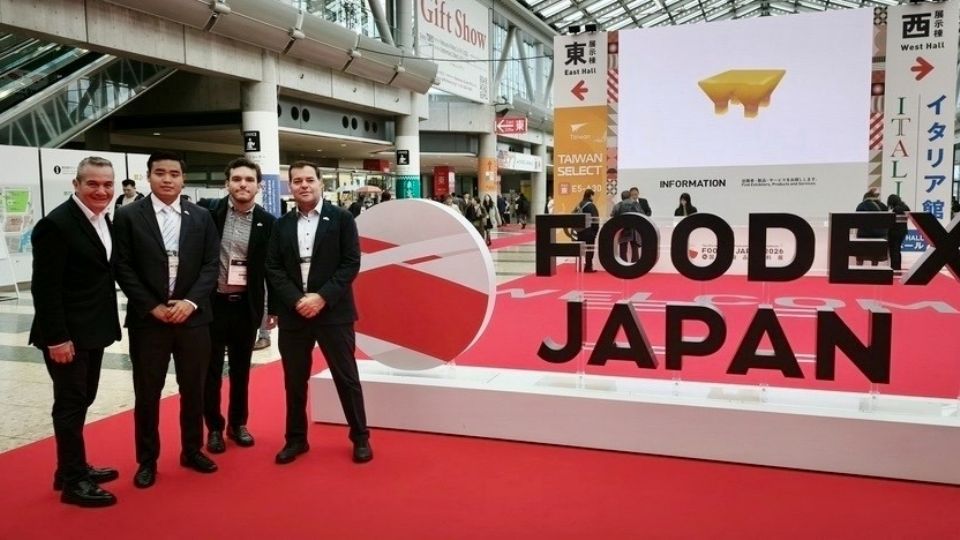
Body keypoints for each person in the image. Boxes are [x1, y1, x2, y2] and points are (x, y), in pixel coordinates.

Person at [113, 152, 221, 488]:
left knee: (194, 389)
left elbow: (211, 265)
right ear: (148, 176)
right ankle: (147, 460)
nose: (167, 179)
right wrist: (151, 306)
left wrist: (190, 302)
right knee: (147, 393)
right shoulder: (128, 216)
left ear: (183, 179)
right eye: (160, 173)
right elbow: (122, 266)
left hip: (193, 319)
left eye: (174, 173)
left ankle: (192, 449)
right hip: (149, 322)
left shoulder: (201, 216)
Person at [265, 161, 372, 465]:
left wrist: (322, 297)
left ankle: (360, 436)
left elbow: (350, 263)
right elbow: (273, 267)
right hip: (294, 313)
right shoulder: (281, 225)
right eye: (297, 180)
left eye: (309, 179)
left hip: (333, 312)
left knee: (346, 377)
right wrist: (296, 300)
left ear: (320, 182)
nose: (304, 185)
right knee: (294, 380)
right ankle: (296, 439)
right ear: (290, 186)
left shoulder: (341, 219)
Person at [30, 156, 121, 507]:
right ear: (77, 185)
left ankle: (70, 467)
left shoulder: (101, 219)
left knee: (84, 398)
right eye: (92, 184)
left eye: (107, 184)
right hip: (66, 335)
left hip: (92, 330)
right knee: (69, 404)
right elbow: (45, 288)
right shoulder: (56, 225)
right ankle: (73, 482)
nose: (101, 190)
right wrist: (57, 338)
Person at [198, 158, 277, 454]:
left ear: (259, 186)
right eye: (237, 179)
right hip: (212, 305)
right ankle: (214, 428)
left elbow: (271, 270)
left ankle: (238, 424)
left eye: (249, 179)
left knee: (241, 370)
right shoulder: (208, 213)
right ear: (227, 183)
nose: (243, 184)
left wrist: (270, 311)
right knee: (211, 371)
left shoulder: (268, 222)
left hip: (245, 306)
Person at [855, 189, 889, 266]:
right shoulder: (883, 206)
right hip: (880, 236)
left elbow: (857, 220)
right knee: (875, 256)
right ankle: (874, 269)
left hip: (864, 235)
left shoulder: (861, 205)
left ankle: (859, 270)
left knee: (860, 255)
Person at [610, 190, 641, 262]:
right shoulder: (635, 204)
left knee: (623, 249)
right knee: (634, 248)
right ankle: (635, 264)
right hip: (634, 229)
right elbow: (641, 214)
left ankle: (623, 264)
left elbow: (612, 215)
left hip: (622, 229)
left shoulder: (617, 205)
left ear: (622, 197)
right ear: (630, 196)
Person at [576, 189, 599, 272]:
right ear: (591, 195)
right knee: (589, 249)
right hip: (589, 231)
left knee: (581, 248)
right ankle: (588, 267)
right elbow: (595, 219)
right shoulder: (591, 205)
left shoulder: (579, 204)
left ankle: (578, 266)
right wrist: (595, 231)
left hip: (580, 230)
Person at [887, 194, 910, 273]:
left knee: (894, 250)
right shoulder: (906, 207)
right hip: (903, 231)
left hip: (894, 232)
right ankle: (898, 267)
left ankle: (894, 267)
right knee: (897, 249)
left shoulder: (895, 209)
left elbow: (891, 221)